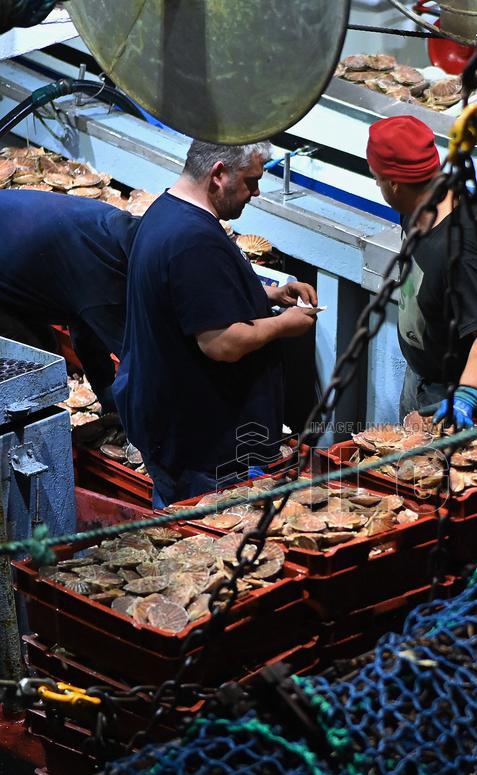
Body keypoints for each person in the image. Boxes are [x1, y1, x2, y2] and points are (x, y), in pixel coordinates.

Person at [113, 139, 319, 508]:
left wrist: (268, 295)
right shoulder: (193, 240)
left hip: (171, 428)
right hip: (203, 450)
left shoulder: (166, 211)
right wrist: (285, 324)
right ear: (219, 174)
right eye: (251, 181)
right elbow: (222, 342)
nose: (255, 192)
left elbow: (192, 295)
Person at [366, 115, 477, 428]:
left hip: (453, 395)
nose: (377, 185)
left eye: (377, 178)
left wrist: (467, 396)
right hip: (423, 378)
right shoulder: (415, 206)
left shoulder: (462, 246)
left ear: (394, 183)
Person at [0, 189, 139, 410]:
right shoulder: (103, 277)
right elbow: (140, 360)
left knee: (44, 349)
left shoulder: (115, 222)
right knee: (33, 367)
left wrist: (105, 390)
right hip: (11, 257)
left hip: (18, 238)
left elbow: (84, 326)